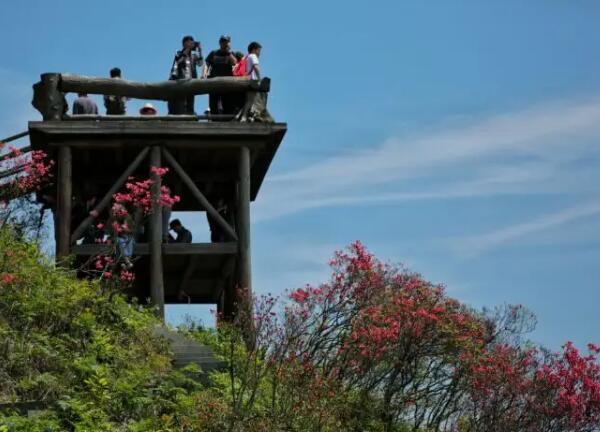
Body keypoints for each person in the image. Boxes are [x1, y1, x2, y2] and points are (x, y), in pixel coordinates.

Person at [169, 35, 204, 115]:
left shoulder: (194, 56)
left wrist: (200, 51)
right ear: (184, 44)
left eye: (192, 42)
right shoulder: (179, 53)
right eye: (189, 42)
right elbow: (178, 62)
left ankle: (190, 119)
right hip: (181, 82)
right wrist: (187, 49)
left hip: (192, 82)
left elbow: (200, 64)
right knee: (181, 104)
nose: (191, 44)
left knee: (190, 104)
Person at [204, 35, 237, 115]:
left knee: (227, 104)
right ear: (219, 42)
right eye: (222, 41)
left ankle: (226, 123)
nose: (224, 43)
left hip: (227, 82)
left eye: (226, 41)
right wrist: (204, 73)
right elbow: (207, 63)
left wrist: (228, 52)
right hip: (214, 82)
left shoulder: (231, 53)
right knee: (213, 104)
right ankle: (214, 121)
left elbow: (234, 62)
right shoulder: (214, 53)